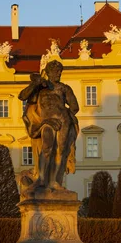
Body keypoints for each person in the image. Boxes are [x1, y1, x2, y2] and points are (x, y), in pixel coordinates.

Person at [18, 59, 79, 191]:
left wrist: (66, 115)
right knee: (47, 149)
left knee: (62, 151)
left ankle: (56, 182)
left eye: (60, 71)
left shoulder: (64, 88)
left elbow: (75, 106)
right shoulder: (41, 88)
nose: (58, 73)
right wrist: (35, 84)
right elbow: (22, 96)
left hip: (64, 121)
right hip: (47, 122)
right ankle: (41, 179)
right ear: (48, 72)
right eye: (55, 71)